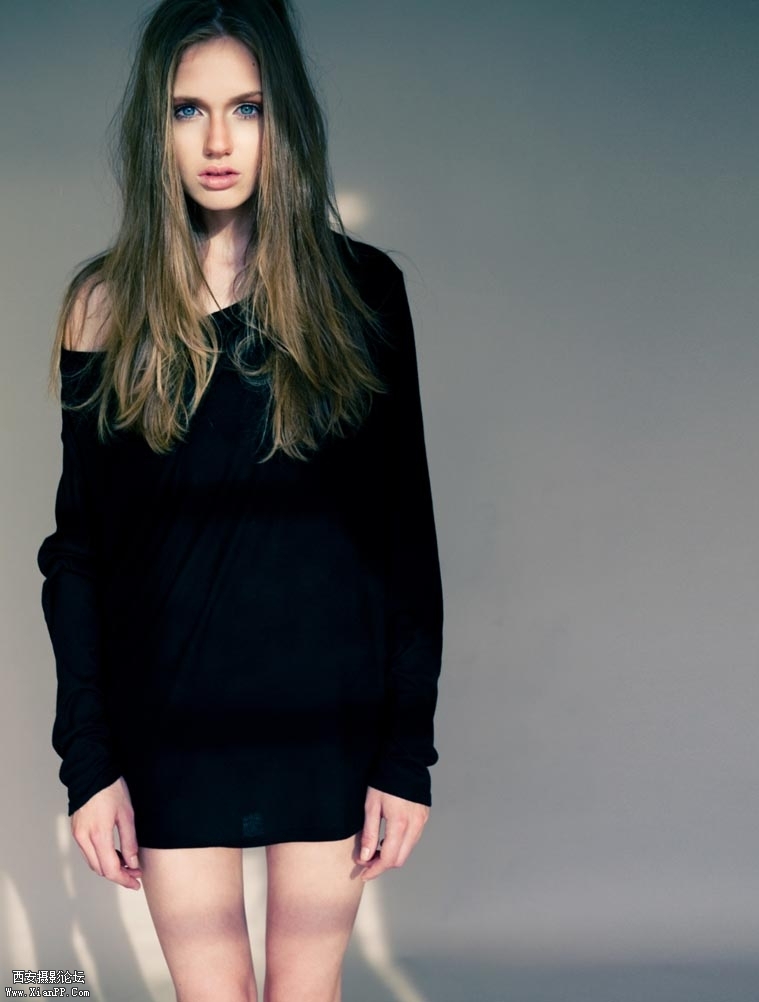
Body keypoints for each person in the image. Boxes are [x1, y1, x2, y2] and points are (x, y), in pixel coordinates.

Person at [35, 1, 444, 999]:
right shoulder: (103, 306)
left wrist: (404, 753)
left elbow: (404, 536)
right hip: (171, 722)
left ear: (282, 119)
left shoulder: (361, 294)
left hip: (325, 715)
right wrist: (89, 763)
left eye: (246, 108)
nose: (218, 142)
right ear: (156, 126)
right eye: (189, 110)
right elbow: (78, 553)